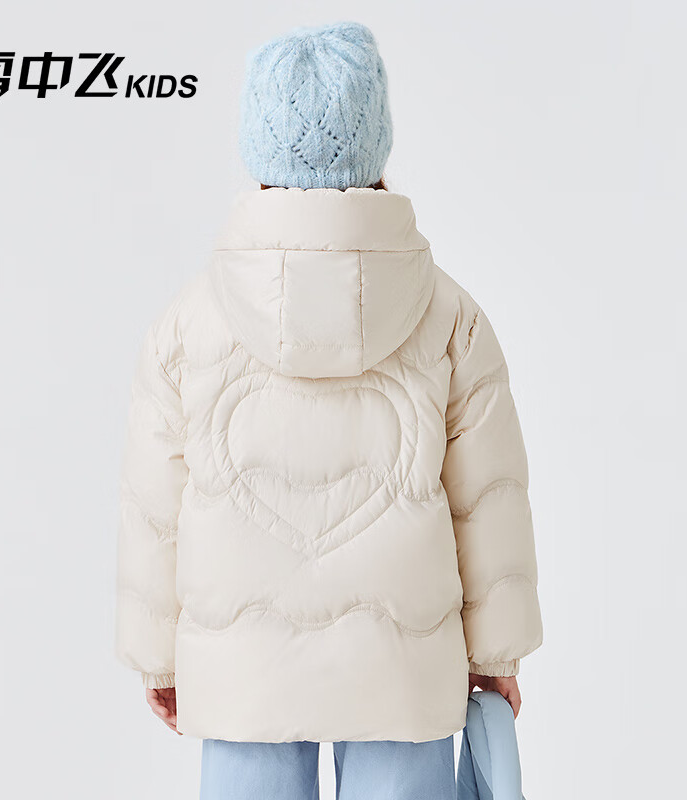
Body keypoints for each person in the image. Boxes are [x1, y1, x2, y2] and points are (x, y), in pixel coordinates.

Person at [115, 20, 542, 800]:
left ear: (259, 147)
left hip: (243, 672)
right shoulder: (451, 317)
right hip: (403, 670)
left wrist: (160, 658)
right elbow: (489, 499)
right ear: (375, 142)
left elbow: (156, 509)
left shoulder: (185, 325)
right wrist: (496, 653)